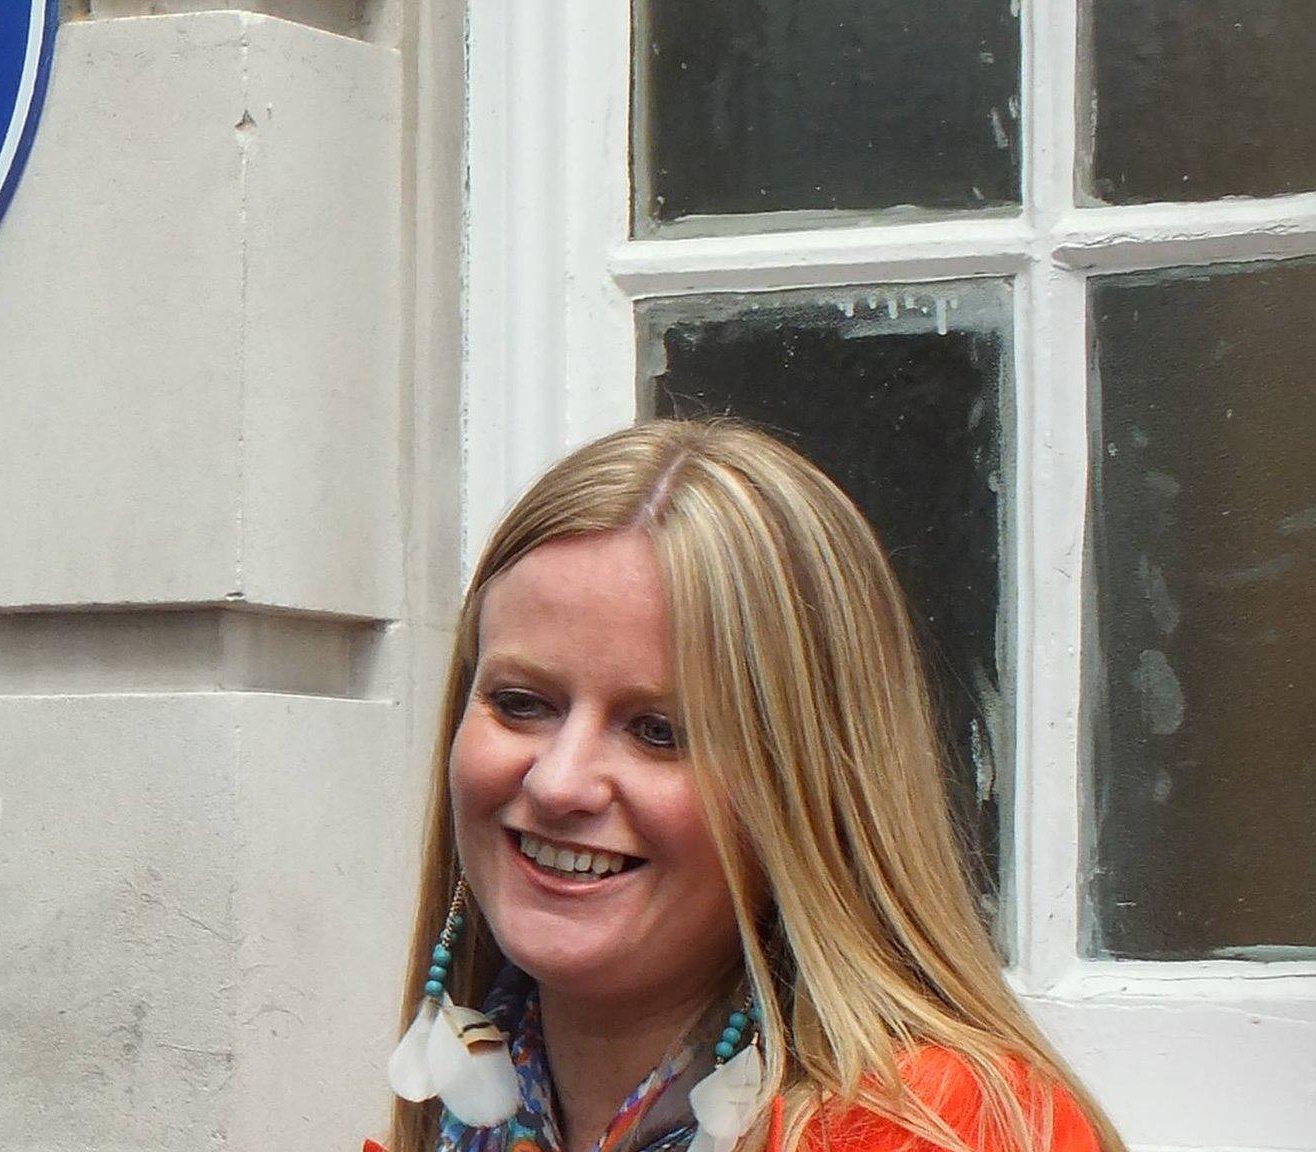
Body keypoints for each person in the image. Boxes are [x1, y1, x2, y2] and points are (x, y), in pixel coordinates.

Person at [380, 420, 1123, 1152]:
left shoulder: (942, 1132)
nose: (558, 783)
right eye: (521, 704)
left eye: (660, 731)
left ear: (809, 785)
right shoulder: (460, 1125)